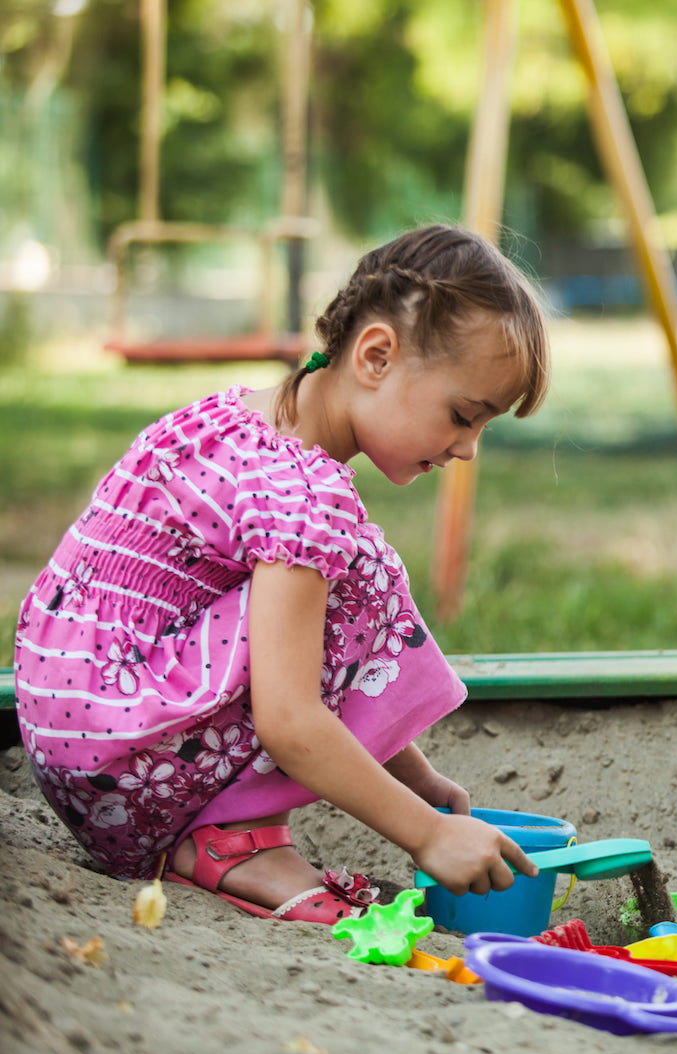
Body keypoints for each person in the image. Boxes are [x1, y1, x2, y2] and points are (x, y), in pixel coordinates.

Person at [13, 224, 548, 924]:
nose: (469, 448)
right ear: (377, 356)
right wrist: (428, 832)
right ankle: (231, 840)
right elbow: (290, 719)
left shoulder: (231, 420)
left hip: (68, 730)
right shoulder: (306, 500)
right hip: (128, 771)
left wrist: (415, 782)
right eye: (462, 415)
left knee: (338, 575)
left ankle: (213, 825)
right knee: (360, 579)